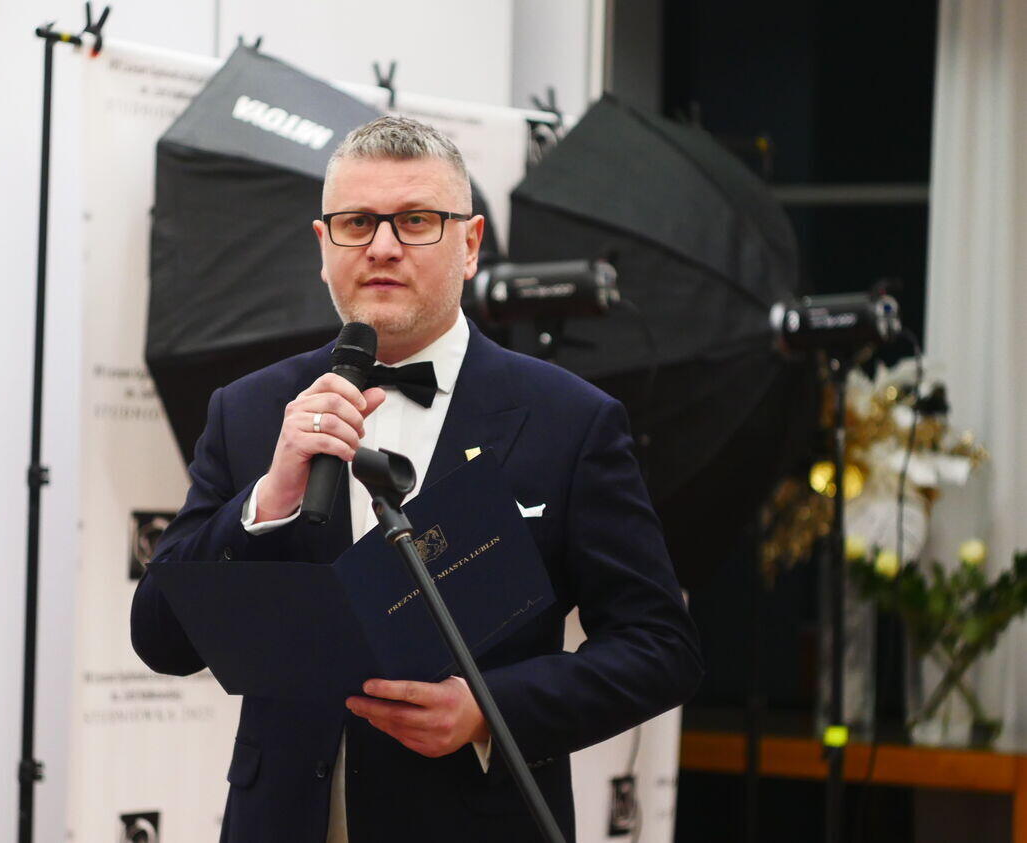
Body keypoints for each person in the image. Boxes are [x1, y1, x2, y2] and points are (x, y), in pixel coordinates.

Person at [131, 116, 702, 842]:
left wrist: (489, 710)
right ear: (323, 245)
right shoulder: (249, 410)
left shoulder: (570, 420)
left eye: (416, 221)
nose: (382, 246)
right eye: (357, 223)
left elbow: (660, 647)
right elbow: (162, 639)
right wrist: (267, 499)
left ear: (470, 244)